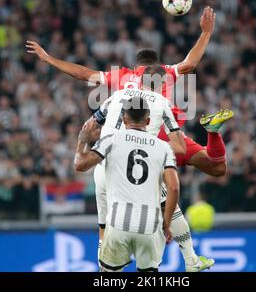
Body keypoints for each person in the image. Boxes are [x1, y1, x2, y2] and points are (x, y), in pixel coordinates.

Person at [25, 6, 229, 179]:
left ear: (136, 65)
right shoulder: (165, 71)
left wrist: (49, 58)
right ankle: (212, 133)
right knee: (217, 167)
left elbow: (83, 74)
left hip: (133, 136)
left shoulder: (121, 75)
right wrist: (205, 33)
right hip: (166, 134)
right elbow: (190, 64)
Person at [91, 65, 214, 271]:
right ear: (163, 84)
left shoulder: (117, 95)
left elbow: (92, 125)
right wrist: (155, 145)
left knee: (104, 226)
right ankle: (191, 260)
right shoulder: (162, 102)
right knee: (170, 206)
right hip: (137, 167)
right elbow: (179, 148)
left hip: (104, 167)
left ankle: (105, 269)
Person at [74, 97, 179, 272]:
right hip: (150, 225)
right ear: (148, 120)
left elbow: (80, 165)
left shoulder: (111, 139)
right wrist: (166, 224)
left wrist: (81, 142)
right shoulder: (164, 148)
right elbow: (174, 188)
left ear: (123, 119)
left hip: (118, 222)